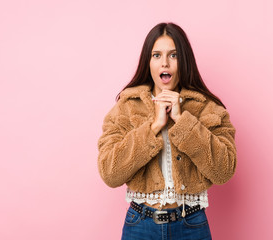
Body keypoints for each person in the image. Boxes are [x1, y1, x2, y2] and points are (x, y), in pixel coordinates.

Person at [97, 22, 237, 240]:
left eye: (173, 55)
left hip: (191, 225)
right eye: (156, 55)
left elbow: (224, 170)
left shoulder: (208, 108)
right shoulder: (126, 107)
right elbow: (110, 172)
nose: (165, 62)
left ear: (184, 61)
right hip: (140, 226)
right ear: (148, 62)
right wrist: (153, 127)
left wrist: (182, 121)